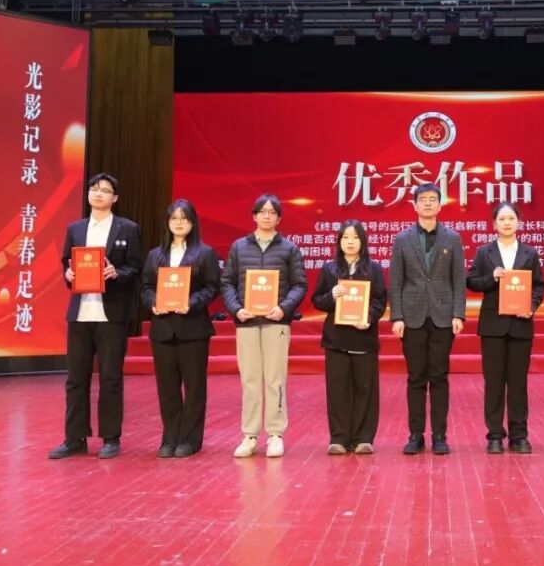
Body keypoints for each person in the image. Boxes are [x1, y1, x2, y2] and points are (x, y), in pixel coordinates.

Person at [49, 173, 143, 460]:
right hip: (80, 313)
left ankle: (110, 438)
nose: (98, 193)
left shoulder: (128, 229)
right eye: (94, 188)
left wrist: (117, 273)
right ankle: (74, 438)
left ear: (115, 198)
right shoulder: (75, 229)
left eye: (105, 190)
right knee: (75, 378)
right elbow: (66, 262)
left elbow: (136, 268)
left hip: (111, 313)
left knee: (110, 378)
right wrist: (68, 274)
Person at [220, 194, 307, 459]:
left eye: (272, 212)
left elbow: (299, 285)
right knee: (250, 380)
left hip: (276, 322)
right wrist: (236, 309)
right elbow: (227, 283)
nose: (266, 216)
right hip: (246, 323)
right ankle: (250, 435)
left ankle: (275, 434)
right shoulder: (239, 247)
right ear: (254, 216)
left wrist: (283, 308)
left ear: (279, 218)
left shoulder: (289, 249)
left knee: (274, 379)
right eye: (262, 212)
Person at [389, 183, 467, 455]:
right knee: (415, 377)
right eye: (423, 199)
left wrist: (458, 313)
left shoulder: (452, 238)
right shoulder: (402, 239)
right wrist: (396, 316)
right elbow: (396, 281)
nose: (428, 203)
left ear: (440, 205)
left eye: (433, 199)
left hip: (443, 316)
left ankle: (440, 435)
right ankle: (415, 434)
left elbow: (459, 279)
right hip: (411, 317)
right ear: (414, 205)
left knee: (440, 377)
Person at [139, 199, 220, 458]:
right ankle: (170, 437)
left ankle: (189, 439)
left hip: (193, 328)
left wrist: (191, 302)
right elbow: (145, 287)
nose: (179, 222)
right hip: (163, 329)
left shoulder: (205, 253)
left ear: (193, 222)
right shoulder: (155, 255)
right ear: (167, 222)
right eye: (174, 218)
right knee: (167, 387)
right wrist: (153, 303)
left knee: (194, 387)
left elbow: (212, 287)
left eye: (184, 218)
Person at [466, 202, 544, 454]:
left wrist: (531, 307)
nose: (507, 223)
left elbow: (539, 286)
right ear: (494, 224)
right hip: (493, 325)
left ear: (518, 222)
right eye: (502, 219)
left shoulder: (530, 253)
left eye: (511, 218)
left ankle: (519, 435)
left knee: (518, 383)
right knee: (494, 382)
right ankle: (494, 435)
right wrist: (492, 278)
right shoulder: (484, 252)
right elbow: (471, 281)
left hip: (521, 324)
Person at [311, 220, 388, 455]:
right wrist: (331, 296)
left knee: (365, 389)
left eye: (355, 237)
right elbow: (317, 301)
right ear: (339, 241)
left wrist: (369, 319)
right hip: (337, 339)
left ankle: (364, 437)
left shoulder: (374, 269)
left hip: (364, 338)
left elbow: (380, 300)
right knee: (338, 390)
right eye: (345, 237)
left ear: (362, 241)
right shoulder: (329, 269)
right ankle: (339, 437)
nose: (350, 242)